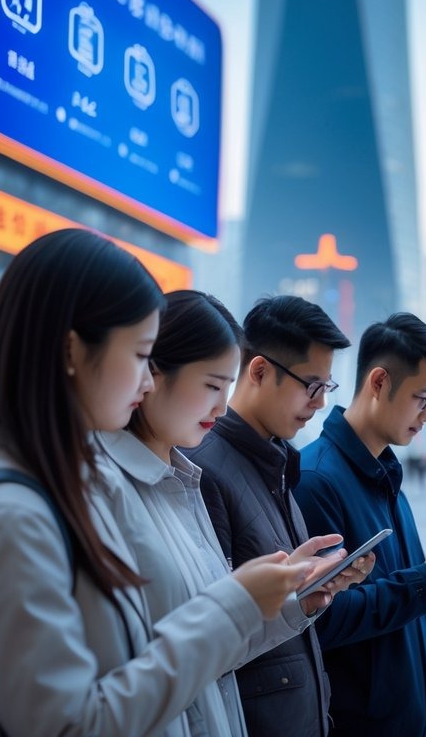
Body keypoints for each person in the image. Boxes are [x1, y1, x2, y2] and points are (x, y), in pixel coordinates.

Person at [0, 230, 309, 735]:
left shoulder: (56, 487)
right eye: (139, 355)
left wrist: (257, 607)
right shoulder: (8, 516)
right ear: (72, 350)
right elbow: (74, 725)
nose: (148, 380)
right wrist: (233, 609)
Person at [93, 290, 359, 736]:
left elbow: (211, 648)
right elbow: (115, 686)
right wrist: (241, 600)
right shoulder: (108, 492)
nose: (221, 406)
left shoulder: (185, 482)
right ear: (154, 374)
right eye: (213, 386)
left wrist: (291, 600)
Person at [296, 312, 426, 736]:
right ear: (378, 383)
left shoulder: (385, 475)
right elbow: (321, 619)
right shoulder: (317, 479)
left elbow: (395, 595)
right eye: (421, 398)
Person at [187, 295, 368, 737]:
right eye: (312, 386)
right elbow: (209, 631)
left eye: (328, 387)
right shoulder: (205, 468)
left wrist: (311, 582)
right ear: (259, 371)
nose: (321, 403)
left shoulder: (280, 462)